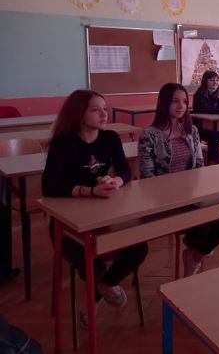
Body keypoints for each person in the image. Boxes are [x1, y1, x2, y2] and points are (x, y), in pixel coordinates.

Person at [42, 90, 148, 328]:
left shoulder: (110, 138)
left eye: (105, 108)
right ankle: (97, 292)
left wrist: (115, 181)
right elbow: (49, 186)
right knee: (94, 260)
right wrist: (89, 191)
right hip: (68, 224)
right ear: (79, 113)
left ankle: (100, 288)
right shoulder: (63, 143)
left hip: (104, 217)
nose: (103, 114)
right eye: (95, 109)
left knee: (139, 248)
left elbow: (125, 170)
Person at [139, 83, 219, 277]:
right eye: (175, 101)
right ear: (164, 103)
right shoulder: (149, 135)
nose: (181, 106)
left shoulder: (191, 131)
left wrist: (198, 193)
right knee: (203, 227)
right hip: (165, 199)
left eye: (184, 101)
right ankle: (196, 250)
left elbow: (199, 166)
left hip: (192, 196)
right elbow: (147, 177)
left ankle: (195, 255)